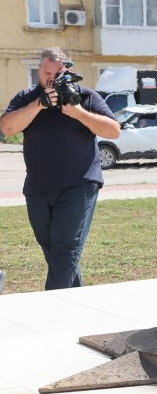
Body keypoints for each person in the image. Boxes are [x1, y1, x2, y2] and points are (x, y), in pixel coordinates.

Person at [1, 47, 120, 290]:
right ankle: (78, 306)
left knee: (66, 249)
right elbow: (8, 128)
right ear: (40, 70)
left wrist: (78, 113)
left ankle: (51, 310)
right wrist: (38, 105)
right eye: (45, 72)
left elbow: (113, 131)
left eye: (55, 74)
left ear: (68, 71)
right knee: (56, 252)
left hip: (80, 184)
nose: (50, 79)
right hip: (38, 188)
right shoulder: (26, 97)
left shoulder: (85, 97)